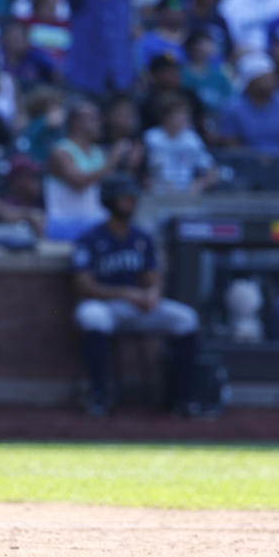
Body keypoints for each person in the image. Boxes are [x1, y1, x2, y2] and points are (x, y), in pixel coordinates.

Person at [71, 176, 201, 416]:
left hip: (137, 307)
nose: (130, 203)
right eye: (124, 198)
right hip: (105, 305)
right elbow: (83, 285)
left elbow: (152, 277)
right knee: (92, 317)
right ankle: (99, 395)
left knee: (186, 318)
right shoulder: (90, 238)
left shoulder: (141, 237)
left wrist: (152, 293)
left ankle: (183, 398)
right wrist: (126, 293)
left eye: (132, 198)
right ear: (110, 201)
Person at [44, 99, 134, 241]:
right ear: (75, 122)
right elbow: (78, 182)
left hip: (97, 221)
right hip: (66, 223)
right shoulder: (60, 151)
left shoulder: (98, 152)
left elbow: (111, 188)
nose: (99, 122)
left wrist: (131, 164)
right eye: (93, 118)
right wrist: (111, 162)